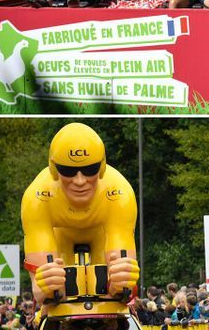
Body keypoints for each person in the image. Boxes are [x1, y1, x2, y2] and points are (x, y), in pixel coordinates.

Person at [21, 123, 139, 305]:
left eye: (89, 169)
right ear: (53, 168)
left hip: (101, 234)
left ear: (102, 167)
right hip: (60, 235)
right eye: (67, 171)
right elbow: (40, 291)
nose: (80, 181)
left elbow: (125, 290)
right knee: (53, 289)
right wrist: (48, 289)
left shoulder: (120, 193)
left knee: (116, 286)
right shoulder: (36, 198)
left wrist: (121, 284)